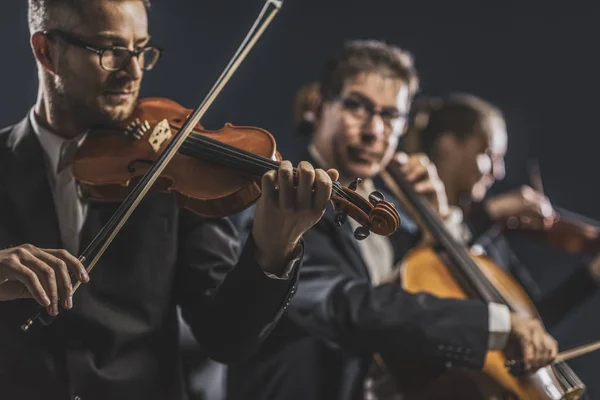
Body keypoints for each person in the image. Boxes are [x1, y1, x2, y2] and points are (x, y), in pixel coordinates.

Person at [0, 1, 338, 399]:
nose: (133, 72)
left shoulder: (173, 169)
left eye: (141, 50)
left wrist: (273, 248)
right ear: (46, 50)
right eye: (111, 52)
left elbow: (226, 339)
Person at [226, 40, 559, 400]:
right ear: (320, 107)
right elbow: (344, 304)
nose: (374, 131)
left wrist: (440, 221)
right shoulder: (283, 199)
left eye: (390, 116)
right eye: (357, 107)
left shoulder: (394, 219)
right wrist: (494, 325)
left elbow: (431, 289)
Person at [402, 93, 600, 328]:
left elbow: (531, 322)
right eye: (488, 154)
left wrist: (591, 277)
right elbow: (435, 256)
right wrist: (492, 213)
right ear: (448, 145)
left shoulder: (489, 235)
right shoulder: (403, 215)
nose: (499, 172)